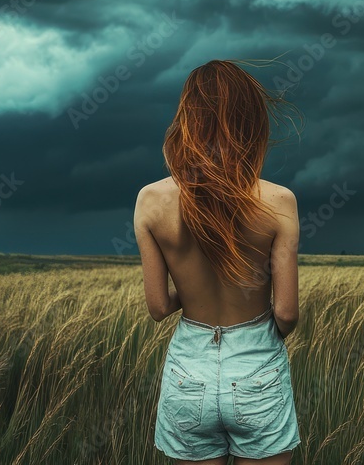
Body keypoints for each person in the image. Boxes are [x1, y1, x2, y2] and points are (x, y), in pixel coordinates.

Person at [133, 59, 302, 464]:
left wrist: (191, 290)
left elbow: (157, 308)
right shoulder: (279, 201)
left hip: (188, 369)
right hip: (257, 363)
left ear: (188, 116)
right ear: (249, 121)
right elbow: (286, 313)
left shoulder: (150, 200)